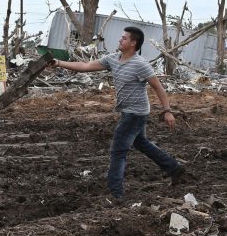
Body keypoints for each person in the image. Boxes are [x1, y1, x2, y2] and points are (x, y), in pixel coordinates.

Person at [50, 26, 185, 203]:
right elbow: (86, 65)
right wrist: (59, 63)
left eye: (124, 38)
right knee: (141, 143)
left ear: (133, 43)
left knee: (118, 151)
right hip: (130, 112)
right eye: (121, 37)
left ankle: (116, 194)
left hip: (135, 113)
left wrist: (167, 111)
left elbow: (158, 87)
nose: (120, 40)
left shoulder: (140, 64)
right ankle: (174, 168)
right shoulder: (113, 59)